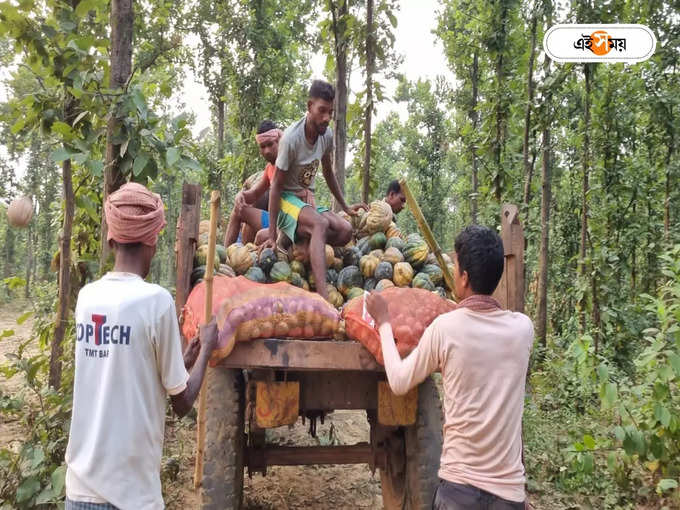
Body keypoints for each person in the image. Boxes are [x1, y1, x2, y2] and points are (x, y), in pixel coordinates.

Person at [65, 182, 219, 510]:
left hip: (79, 493)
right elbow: (182, 403)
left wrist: (183, 360)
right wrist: (206, 349)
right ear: (152, 239)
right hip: (132, 497)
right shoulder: (156, 302)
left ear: (110, 238)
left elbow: (125, 369)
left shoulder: (86, 298)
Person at [366, 225, 533, 510]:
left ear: (464, 278)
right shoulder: (523, 329)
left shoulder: (446, 328)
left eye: (455, 265)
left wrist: (383, 322)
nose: (452, 271)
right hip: (510, 497)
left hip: (459, 493)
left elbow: (399, 380)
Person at [261, 80, 366, 300]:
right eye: (321, 111)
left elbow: (328, 173)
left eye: (331, 112)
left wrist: (345, 206)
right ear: (310, 107)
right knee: (319, 224)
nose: (327, 117)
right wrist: (270, 234)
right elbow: (275, 187)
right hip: (286, 200)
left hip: (307, 201)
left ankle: (302, 241)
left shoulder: (326, 136)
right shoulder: (290, 139)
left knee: (345, 230)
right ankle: (323, 298)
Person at [224, 120, 281, 246]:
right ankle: (226, 257)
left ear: (279, 141)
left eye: (270, 144)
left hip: (288, 225)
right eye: (262, 147)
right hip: (275, 221)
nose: (266, 151)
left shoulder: (286, 163)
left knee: (260, 236)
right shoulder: (269, 168)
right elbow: (255, 194)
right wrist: (242, 195)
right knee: (238, 210)